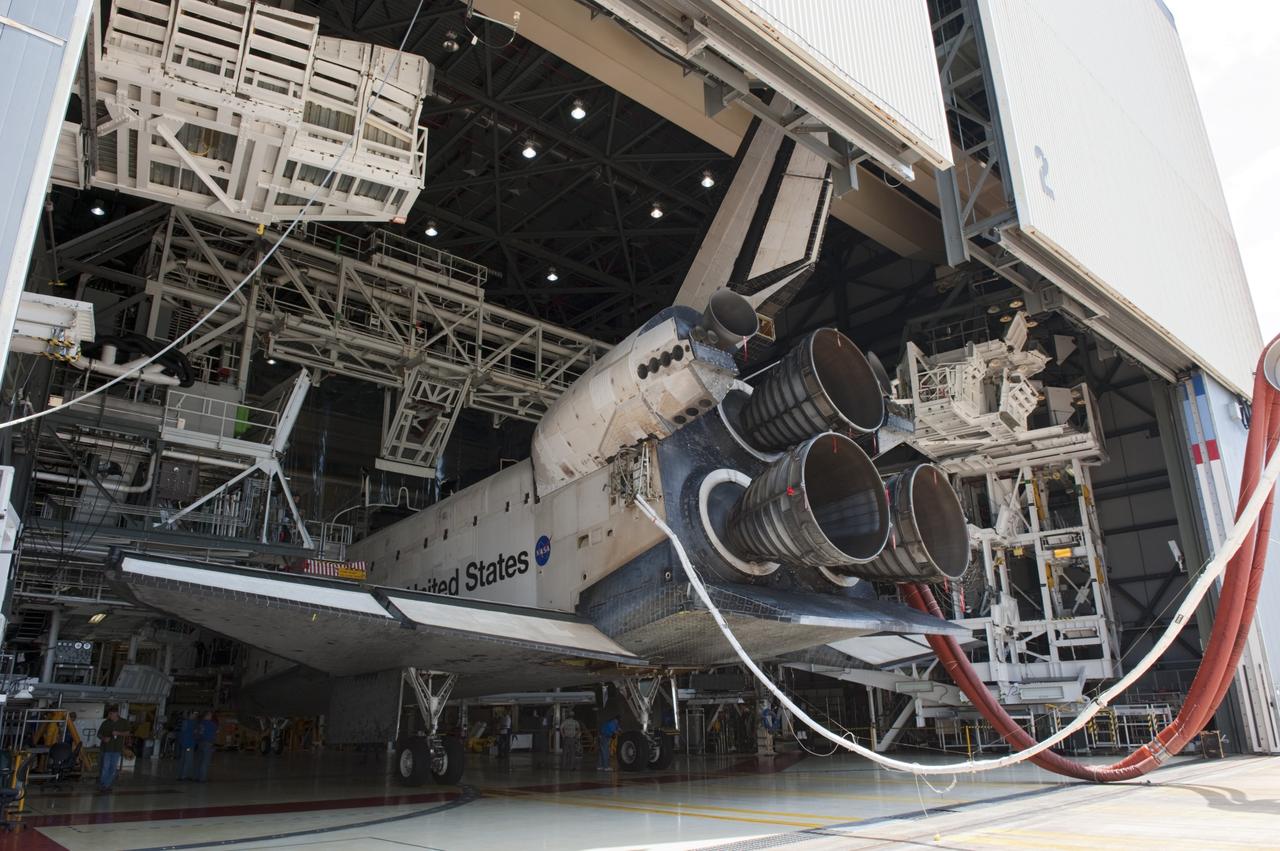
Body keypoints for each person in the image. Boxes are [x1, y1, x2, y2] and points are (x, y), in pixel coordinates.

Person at [97, 706, 131, 793]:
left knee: (112, 768)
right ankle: (104, 785)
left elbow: (127, 733)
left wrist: (118, 733)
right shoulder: (105, 723)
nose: (110, 716)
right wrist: (104, 738)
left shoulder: (124, 722)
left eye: (111, 714)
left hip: (117, 749)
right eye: (109, 714)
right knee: (105, 767)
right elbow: (99, 734)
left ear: (116, 714)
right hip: (106, 749)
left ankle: (106, 785)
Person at [195, 710, 218, 782]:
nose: (211, 717)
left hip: (200, 743)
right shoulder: (212, 724)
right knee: (205, 761)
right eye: (210, 715)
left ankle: (197, 777)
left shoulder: (200, 723)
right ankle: (203, 778)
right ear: (207, 715)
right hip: (208, 743)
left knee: (199, 761)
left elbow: (197, 733)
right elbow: (214, 734)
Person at [177, 712, 197, 780]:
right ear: (190, 715)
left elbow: (182, 733)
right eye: (194, 714)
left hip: (184, 744)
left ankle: (180, 775)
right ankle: (184, 776)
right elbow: (193, 733)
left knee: (183, 759)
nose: (195, 715)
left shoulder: (184, 722)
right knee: (188, 759)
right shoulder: (192, 723)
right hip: (189, 745)